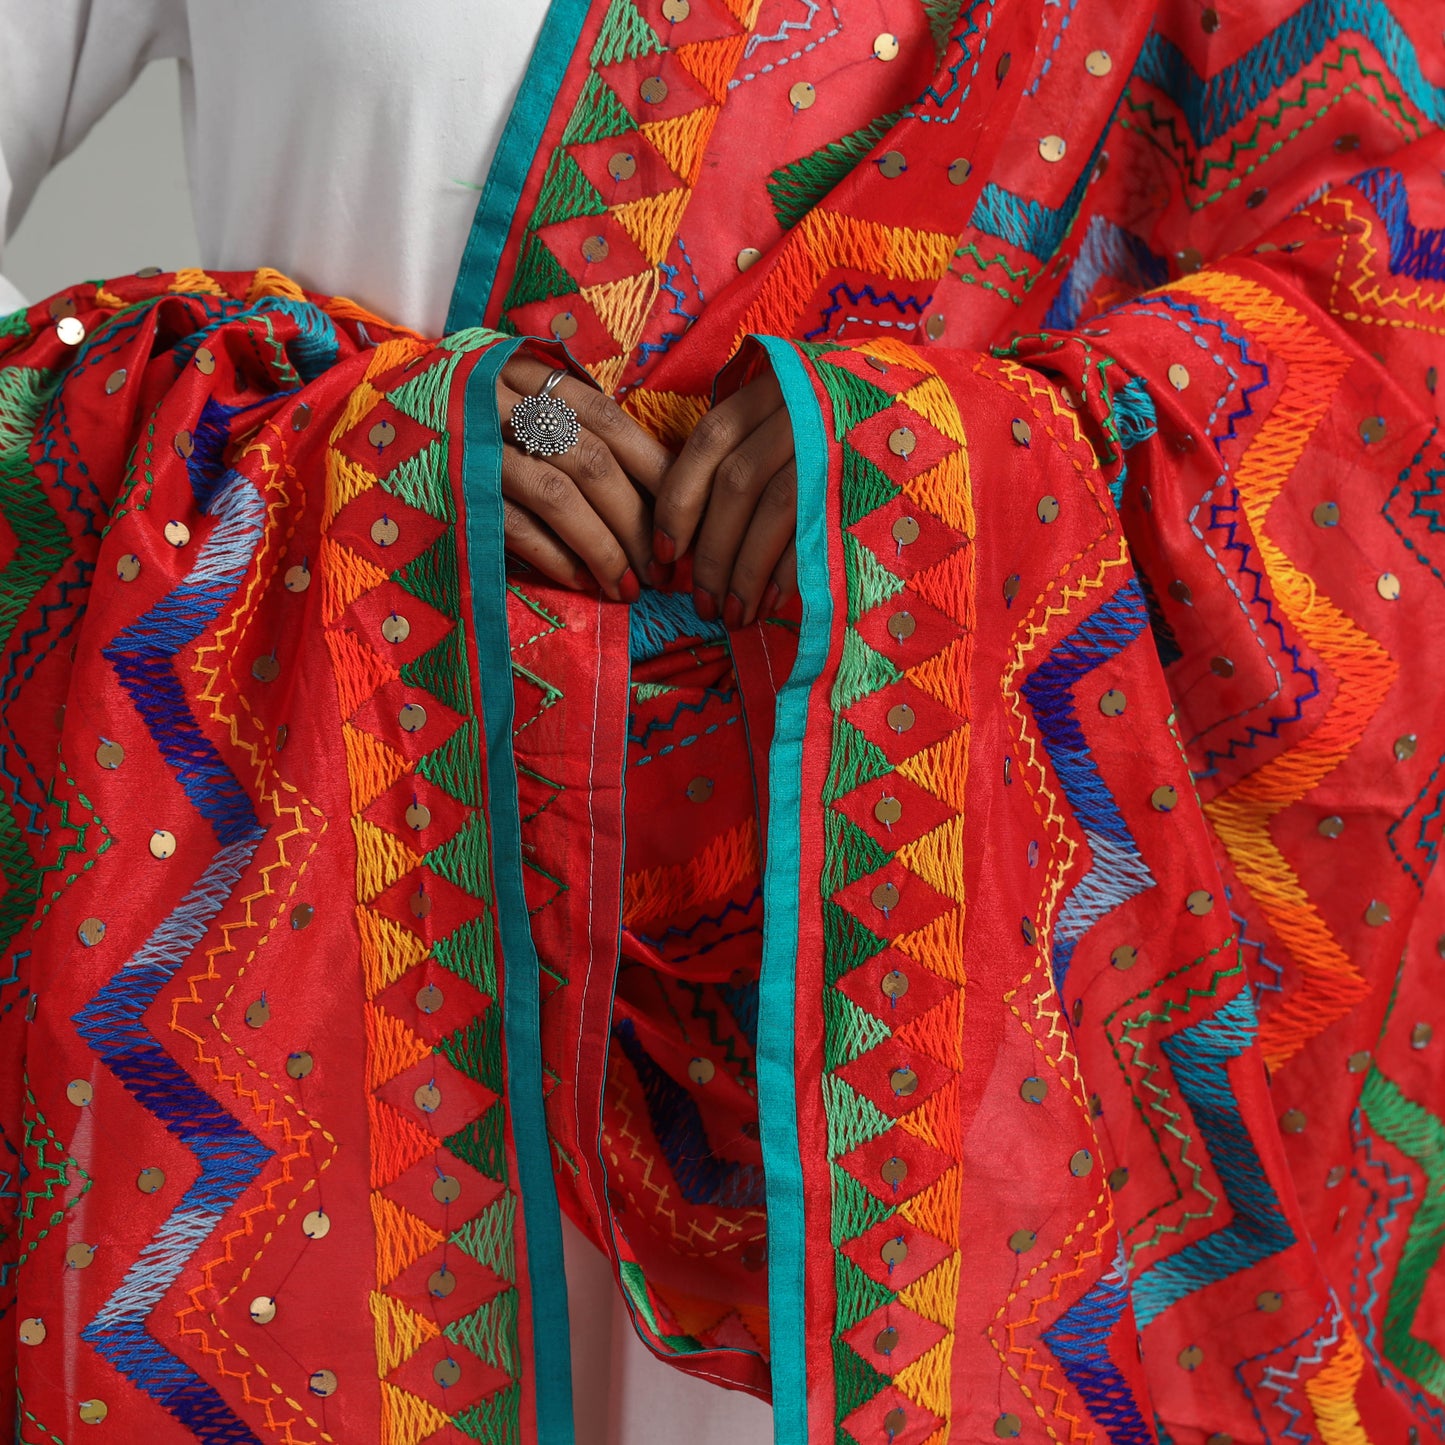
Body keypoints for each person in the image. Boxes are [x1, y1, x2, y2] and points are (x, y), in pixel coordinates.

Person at [0, 2, 1441, 1443]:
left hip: (940, 1011)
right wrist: (336, 463)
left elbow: (1397, 288)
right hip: (324, 961)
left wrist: (949, 469)